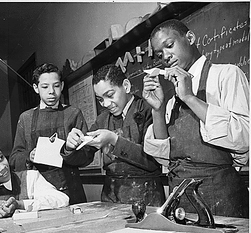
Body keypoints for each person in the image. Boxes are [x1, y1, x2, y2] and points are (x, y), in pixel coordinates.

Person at [143, 19, 249, 218]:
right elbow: (167, 157)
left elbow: (244, 138)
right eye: (159, 54)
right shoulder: (171, 98)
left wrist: (190, 98)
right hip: (180, 199)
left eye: (169, 45)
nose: (165, 56)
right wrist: (157, 111)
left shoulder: (226, 75)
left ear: (190, 38)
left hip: (220, 198)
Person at [61, 64, 165, 206]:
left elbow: (154, 160)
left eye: (110, 95)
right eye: (100, 99)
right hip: (111, 197)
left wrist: (114, 139)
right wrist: (70, 147)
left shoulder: (149, 110)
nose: (105, 104)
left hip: (147, 196)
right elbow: (83, 157)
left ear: (126, 86)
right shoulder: (103, 119)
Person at [9, 63, 88, 205]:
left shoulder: (73, 114)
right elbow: (14, 159)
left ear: (62, 86)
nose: (51, 91)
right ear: (35, 88)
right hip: (39, 194)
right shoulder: (25, 118)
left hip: (71, 190)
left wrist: (69, 151)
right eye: (45, 87)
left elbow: (87, 156)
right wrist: (29, 156)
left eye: (56, 86)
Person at [0, 140, 69, 221]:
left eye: (1, 158)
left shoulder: (30, 178)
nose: (2, 167)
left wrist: (20, 204)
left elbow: (62, 199)